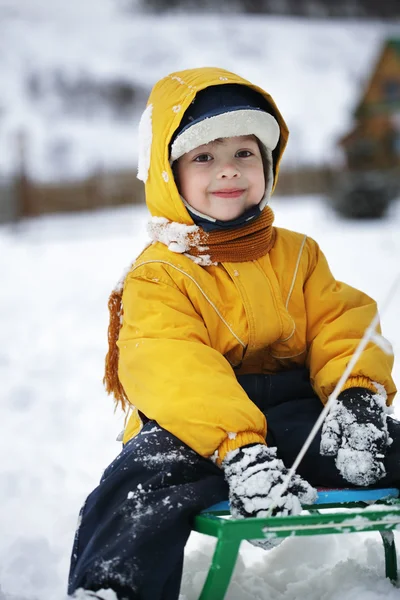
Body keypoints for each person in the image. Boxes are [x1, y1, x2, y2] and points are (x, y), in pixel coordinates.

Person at [68, 67, 399, 600]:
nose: (228, 171)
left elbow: (341, 322)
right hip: (192, 431)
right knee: (138, 486)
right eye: (204, 156)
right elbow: (172, 365)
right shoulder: (159, 273)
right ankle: (113, 590)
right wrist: (239, 449)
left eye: (245, 153)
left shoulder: (300, 253)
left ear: (268, 164)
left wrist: (355, 394)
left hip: (296, 415)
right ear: (168, 175)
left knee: (383, 446)